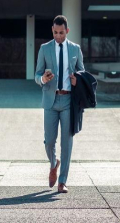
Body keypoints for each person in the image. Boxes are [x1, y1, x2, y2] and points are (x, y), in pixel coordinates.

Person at [35, 15, 85, 193]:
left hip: (68, 101)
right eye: (55, 32)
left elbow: (82, 72)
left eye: (61, 33)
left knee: (67, 142)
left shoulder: (75, 49)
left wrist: (76, 80)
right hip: (50, 99)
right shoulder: (44, 49)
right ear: (52, 30)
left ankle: (62, 181)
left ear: (67, 31)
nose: (58, 36)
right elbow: (37, 74)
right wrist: (43, 78)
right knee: (49, 141)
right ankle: (53, 163)